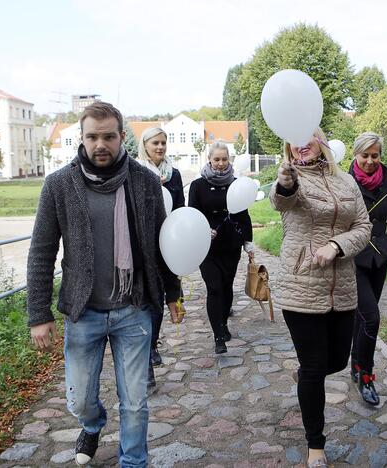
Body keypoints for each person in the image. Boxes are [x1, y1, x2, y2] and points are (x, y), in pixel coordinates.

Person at [27, 102, 182, 467]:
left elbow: (161, 243)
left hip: (134, 309)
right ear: (81, 138)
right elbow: (41, 251)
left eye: (108, 136)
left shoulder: (144, 182)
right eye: (92, 136)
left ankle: (133, 461)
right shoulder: (59, 185)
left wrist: (172, 293)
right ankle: (93, 423)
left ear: (121, 137)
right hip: (84, 312)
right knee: (79, 399)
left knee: (135, 402)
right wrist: (38, 314)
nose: (101, 144)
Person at [270, 128, 371, 467]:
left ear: (323, 142)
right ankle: (316, 444)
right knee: (314, 367)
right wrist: (285, 182)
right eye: (294, 139)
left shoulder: (345, 181)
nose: (301, 143)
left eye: (308, 136)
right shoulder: (291, 176)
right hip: (302, 283)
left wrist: (337, 246)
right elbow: (282, 199)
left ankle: (307, 377)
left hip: (341, 285)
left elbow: (363, 226)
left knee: (338, 361)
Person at [348, 131, 387, 406]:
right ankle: (366, 376)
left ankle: (355, 363)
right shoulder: (345, 182)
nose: (370, 161)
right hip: (353, 260)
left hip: (379, 260)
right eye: (365, 155)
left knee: (362, 318)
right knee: (371, 318)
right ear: (355, 155)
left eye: (375, 155)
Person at [188, 142, 253, 354]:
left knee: (226, 286)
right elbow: (193, 214)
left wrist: (248, 243)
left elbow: (243, 216)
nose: (220, 163)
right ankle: (218, 336)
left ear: (229, 160)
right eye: (216, 159)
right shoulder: (197, 186)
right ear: (209, 159)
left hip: (230, 245)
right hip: (206, 246)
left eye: (224, 159)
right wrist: (203, 229)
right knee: (214, 287)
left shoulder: (236, 184)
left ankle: (224, 323)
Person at [137, 126, 185, 376]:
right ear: (144, 145)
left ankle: (153, 344)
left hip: (169, 243)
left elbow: (179, 208)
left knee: (160, 300)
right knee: (146, 300)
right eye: (155, 142)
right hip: (142, 245)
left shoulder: (174, 175)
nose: (160, 147)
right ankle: (146, 355)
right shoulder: (135, 173)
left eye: (164, 142)